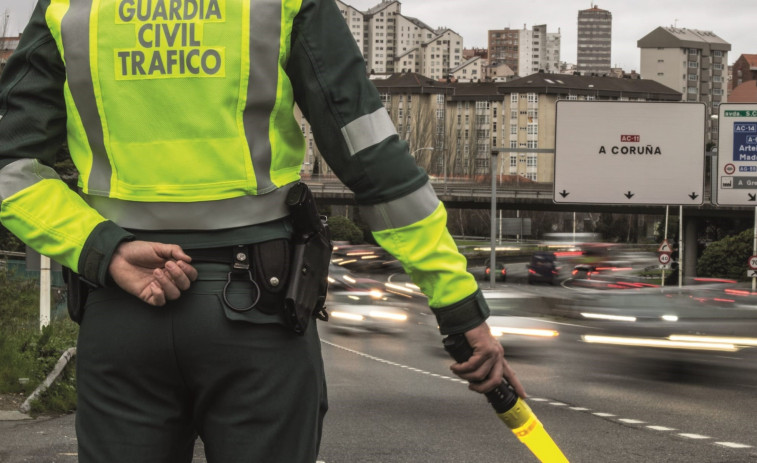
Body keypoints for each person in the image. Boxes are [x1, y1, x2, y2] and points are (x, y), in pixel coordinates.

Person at [0, 0, 525, 461]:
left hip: (124, 308)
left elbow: (10, 169)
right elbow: (372, 159)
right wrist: (458, 308)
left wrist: (104, 250)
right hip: (258, 309)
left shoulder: (71, 5)